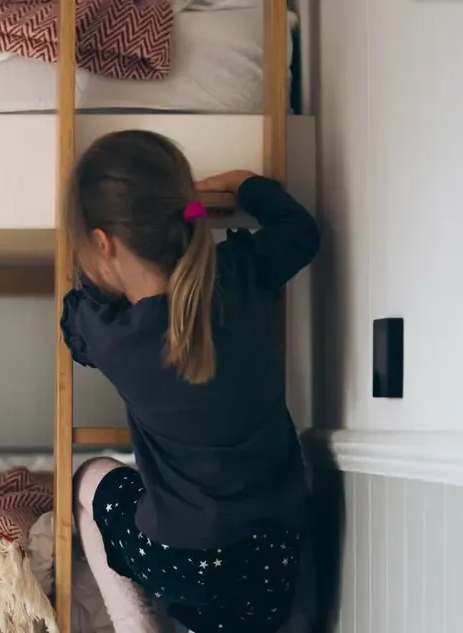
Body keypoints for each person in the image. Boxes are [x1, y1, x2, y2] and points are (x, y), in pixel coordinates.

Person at [59, 129, 319, 633]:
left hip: (182, 561)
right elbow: (300, 231)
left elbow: (73, 319)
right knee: (239, 596)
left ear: (101, 243)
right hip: (273, 561)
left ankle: (136, 625)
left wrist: (100, 282)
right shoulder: (242, 274)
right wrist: (243, 186)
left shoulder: (109, 334)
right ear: (184, 209)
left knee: (89, 476)